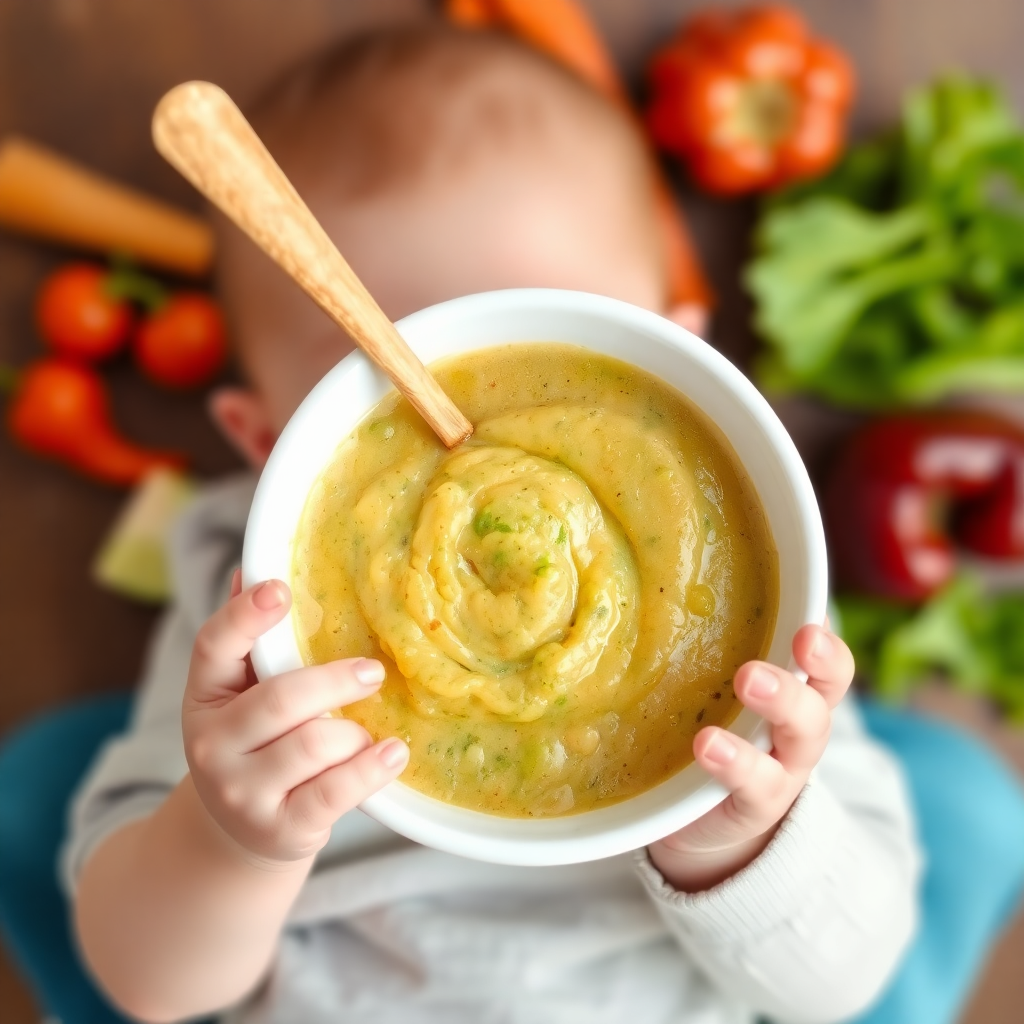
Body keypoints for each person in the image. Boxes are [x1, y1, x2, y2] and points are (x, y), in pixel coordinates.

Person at [13, 22, 1015, 1024]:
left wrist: (733, 838)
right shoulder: (242, 610)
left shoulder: (767, 599)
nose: (465, 367)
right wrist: (229, 841)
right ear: (264, 432)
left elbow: (845, 983)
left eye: (539, 313)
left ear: (680, 348)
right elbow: (147, 986)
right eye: (375, 352)